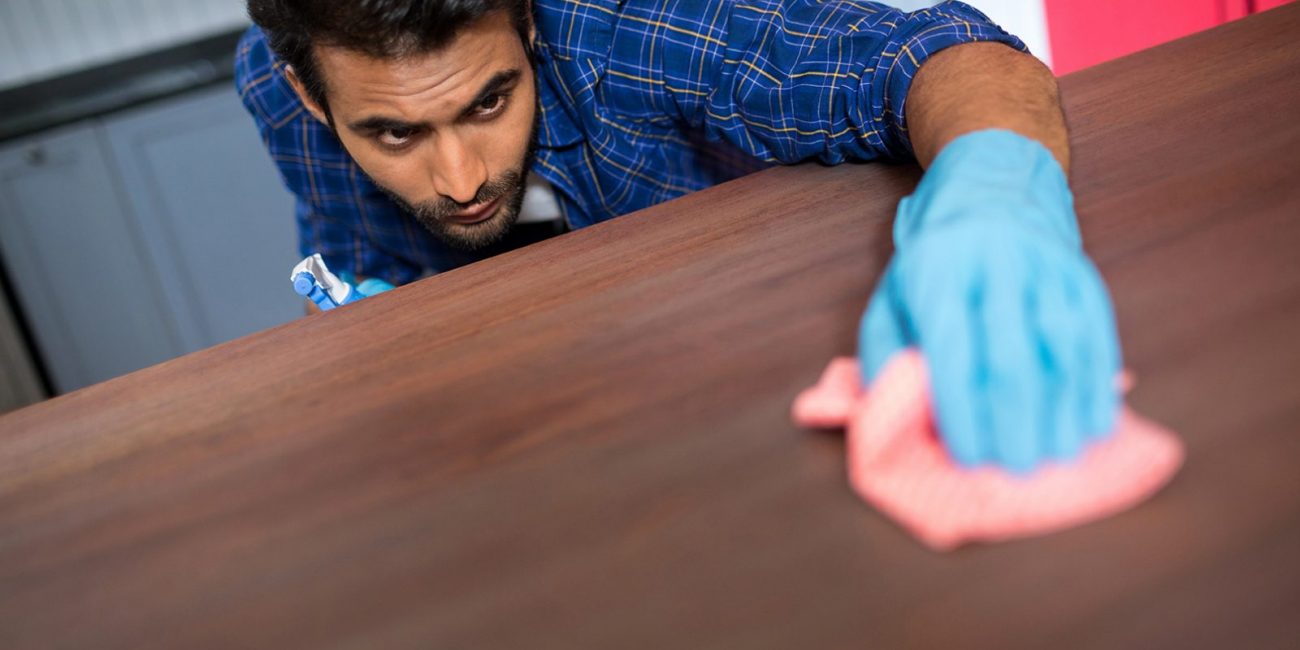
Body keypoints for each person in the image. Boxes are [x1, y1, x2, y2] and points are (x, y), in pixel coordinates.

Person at [235, 0, 1120, 473]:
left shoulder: (629, 22)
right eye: (396, 134)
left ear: (527, 24)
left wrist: (996, 192)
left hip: (736, 393)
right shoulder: (282, 100)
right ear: (309, 96)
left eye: (490, 100)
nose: (461, 180)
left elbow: (927, 56)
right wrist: (370, 334)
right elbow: (360, 263)